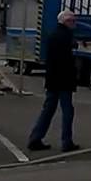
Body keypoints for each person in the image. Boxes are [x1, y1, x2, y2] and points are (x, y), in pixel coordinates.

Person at [27, 10, 81, 152]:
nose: (74, 24)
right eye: (72, 21)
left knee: (48, 109)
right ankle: (66, 141)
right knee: (67, 111)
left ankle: (35, 138)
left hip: (52, 79)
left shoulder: (53, 35)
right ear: (66, 21)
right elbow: (67, 59)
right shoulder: (66, 37)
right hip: (64, 80)